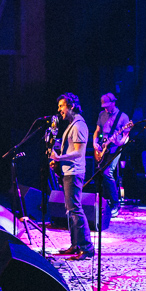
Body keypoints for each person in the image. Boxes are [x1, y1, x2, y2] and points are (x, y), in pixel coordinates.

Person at [50, 93, 93, 259]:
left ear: (71, 106)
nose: (59, 109)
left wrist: (59, 158)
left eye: (62, 106)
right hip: (68, 171)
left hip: (74, 173)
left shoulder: (79, 125)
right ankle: (75, 245)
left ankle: (86, 248)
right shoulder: (72, 124)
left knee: (75, 209)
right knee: (70, 210)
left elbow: (79, 152)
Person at [92, 93, 131, 217]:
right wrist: (95, 143)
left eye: (107, 106)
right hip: (103, 148)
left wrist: (119, 142)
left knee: (107, 173)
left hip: (115, 149)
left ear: (114, 102)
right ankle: (103, 202)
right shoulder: (102, 115)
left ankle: (116, 204)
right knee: (99, 173)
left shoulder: (123, 117)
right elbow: (97, 131)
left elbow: (126, 136)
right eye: (104, 106)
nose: (106, 108)